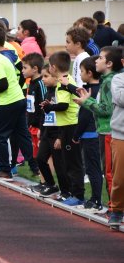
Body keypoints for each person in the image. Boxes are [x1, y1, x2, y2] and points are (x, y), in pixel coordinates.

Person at [0, 35, 39, 181]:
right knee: (22, 134)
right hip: (19, 98)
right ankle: (35, 166)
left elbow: (4, 85)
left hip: (8, 101)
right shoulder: (5, 58)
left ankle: (5, 170)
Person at [75, 46, 123, 212]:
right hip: (107, 130)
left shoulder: (110, 82)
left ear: (109, 63)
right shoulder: (107, 81)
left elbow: (107, 110)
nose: (96, 60)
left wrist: (86, 103)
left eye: (100, 58)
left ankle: (114, 209)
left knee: (110, 172)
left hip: (109, 131)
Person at [43, 51, 84, 205]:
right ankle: (72, 193)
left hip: (70, 125)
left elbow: (64, 106)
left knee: (73, 162)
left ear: (53, 68)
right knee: (68, 161)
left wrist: (50, 107)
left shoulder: (64, 83)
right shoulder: (65, 81)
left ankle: (78, 195)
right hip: (66, 125)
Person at [68, 56, 103, 212]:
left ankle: (96, 200)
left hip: (90, 134)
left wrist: (76, 135)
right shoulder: (97, 88)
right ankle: (95, 199)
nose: (80, 74)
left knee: (93, 169)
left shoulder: (90, 92)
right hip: (93, 134)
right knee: (93, 168)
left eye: (81, 71)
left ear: (89, 73)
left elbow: (85, 116)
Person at [35, 65, 66, 197]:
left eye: (46, 76)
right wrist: (41, 130)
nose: (43, 79)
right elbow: (44, 113)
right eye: (42, 76)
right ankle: (50, 184)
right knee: (40, 159)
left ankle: (66, 191)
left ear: (56, 77)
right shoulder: (47, 92)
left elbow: (64, 114)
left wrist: (60, 136)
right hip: (47, 132)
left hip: (57, 133)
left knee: (59, 165)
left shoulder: (60, 92)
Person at [108, 50, 124, 229]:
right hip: (121, 134)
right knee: (120, 177)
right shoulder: (118, 80)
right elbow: (120, 98)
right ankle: (117, 209)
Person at [21, 53, 46, 158]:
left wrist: (41, 126)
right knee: (35, 153)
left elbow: (44, 107)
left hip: (40, 126)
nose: (22, 70)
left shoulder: (40, 84)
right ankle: (36, 171)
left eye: (25, 67)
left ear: (35, 69)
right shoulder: (31, 83)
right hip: (32, 125)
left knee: (41, 154)